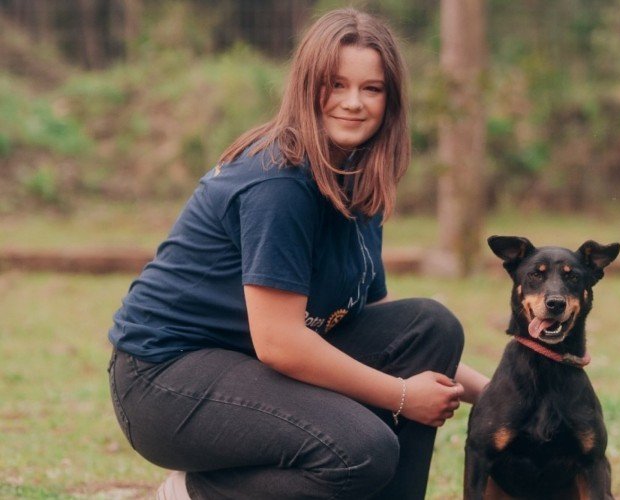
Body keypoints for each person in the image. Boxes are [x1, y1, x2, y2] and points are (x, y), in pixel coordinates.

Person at [107, 8, 489, 499]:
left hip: (246, 363)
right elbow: (281, 343)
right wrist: (402, 397)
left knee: (430, 327)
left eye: (371, 89)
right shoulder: (278, 181)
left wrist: (501, 392)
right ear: (308, 87)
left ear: (390, 100)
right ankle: (193, 494)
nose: (354, 103)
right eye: (336, 85)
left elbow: (373, 320)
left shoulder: (355, 174)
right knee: (361, 449)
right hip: (164, 381)